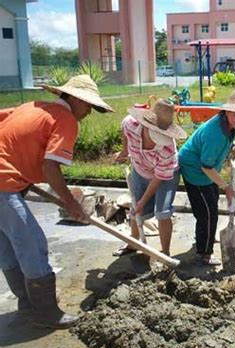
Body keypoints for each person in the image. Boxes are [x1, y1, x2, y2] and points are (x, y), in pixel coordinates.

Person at [0, 75, 114, 329]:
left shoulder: (32, 107)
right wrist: (70, 204)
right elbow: (50, 167)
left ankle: (28, 304)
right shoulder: (65, 120)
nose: (88, 113)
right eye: (87, 105)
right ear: (73, 98)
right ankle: (46, 312)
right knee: (32, 243)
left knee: (8, 247)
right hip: (2, 184)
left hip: (7, 182)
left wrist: (22, 172)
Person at [178, 87, 235, 266]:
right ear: (227, 110)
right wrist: (226, 187)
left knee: (210, 206)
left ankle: (205, 238)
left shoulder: (228, 124)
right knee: (208, 214)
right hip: (196, 171)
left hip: (206, 169)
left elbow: (218, 150)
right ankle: (204, 252)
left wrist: (231, 145)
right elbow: (206, 166)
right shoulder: (216, 134)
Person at [113, 99, 187, 257]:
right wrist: (124, 152)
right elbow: (124, 130)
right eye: (154, 135)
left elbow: (158, 178)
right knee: (135, 210)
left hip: (165, 177)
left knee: (163, 212)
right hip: (140, 170)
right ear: (146, 125)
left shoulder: (168, 150)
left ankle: (165, 253)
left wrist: (143, 202)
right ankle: (133, 243)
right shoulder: (130, 124)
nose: (156, 141)